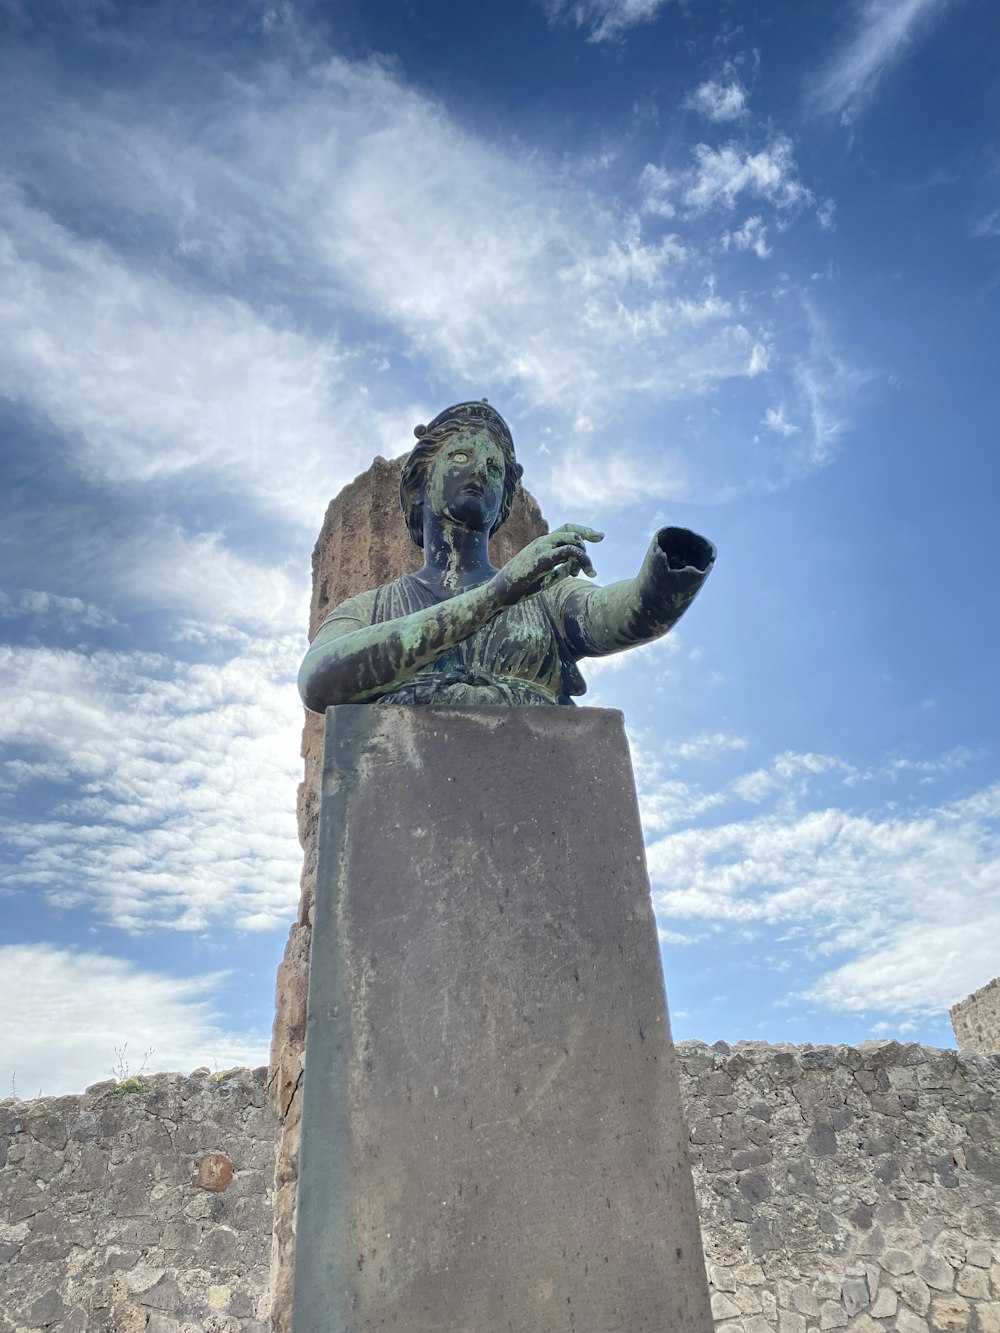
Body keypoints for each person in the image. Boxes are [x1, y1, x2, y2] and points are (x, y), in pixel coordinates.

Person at [298, 400, 715, 710]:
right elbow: (319, 682)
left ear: (503, 505)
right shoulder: (371, 608)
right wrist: (498, 593)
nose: (480, 471)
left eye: (495, 468)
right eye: (461, 456)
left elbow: (626, 615)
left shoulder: (547, 598)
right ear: (418, 486)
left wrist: (669, 572)